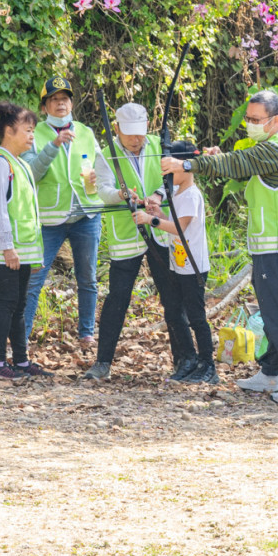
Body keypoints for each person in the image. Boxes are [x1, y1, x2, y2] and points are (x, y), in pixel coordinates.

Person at [162, 91, 278, 403]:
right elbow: (238, 161)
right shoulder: (272, 146)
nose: (250, 124)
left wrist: (187, 164)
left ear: (276, 121)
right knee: (271, 312)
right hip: (269, 243)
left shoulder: (277, 150)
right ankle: (271, 372)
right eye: (248, 118)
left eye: (256, 120)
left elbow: (237, 162)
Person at [85, 103, 179, 381]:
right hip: (127, 235)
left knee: (172, 295)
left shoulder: (157, 144)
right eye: (129, 135)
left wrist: (157, 197)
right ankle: (102, 362)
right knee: (118, 297)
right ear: (116, 130)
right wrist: (122, 194)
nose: (136, 140)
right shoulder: (106, 155)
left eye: (140, 133)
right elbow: (102, 190)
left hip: (158, 227)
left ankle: (183, 362)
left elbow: (171, 178)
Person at [21, 77, 103, 345]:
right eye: (54, 99)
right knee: (33, 280)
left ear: (71, 103)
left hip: (86, 215)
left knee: (88, 278)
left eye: (65, 98)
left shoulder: (86, 132)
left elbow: (104, 170)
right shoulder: (35, 133)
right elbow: (32, 173)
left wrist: (97, 180)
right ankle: (21, 337)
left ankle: (87, 334)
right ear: (45, 107)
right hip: (49, 219)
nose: (61, 103)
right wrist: (54, 145)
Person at [132, 141, 216, 383]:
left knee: (197, 317)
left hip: (193, 267)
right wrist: (160, 215)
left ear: (187, 167)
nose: (167, 174)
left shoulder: (191, 194)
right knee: (181, 311)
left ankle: (208, 365)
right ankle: (192, 362)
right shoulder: (178, 193)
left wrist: (150, 220)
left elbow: (180, 228)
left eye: (172, 169)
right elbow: (175, 221)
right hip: (180, 264)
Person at [0, 102, 50, 380]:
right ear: (9, 131)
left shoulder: (20, 164)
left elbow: (27, 213)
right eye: (28, 130)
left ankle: (21, 361)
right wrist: (7, 248)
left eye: (33, 130)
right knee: (8, 302)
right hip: (3, 250)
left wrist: (34, 257)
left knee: (18, 304)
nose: (32, 135)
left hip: (21, 251)